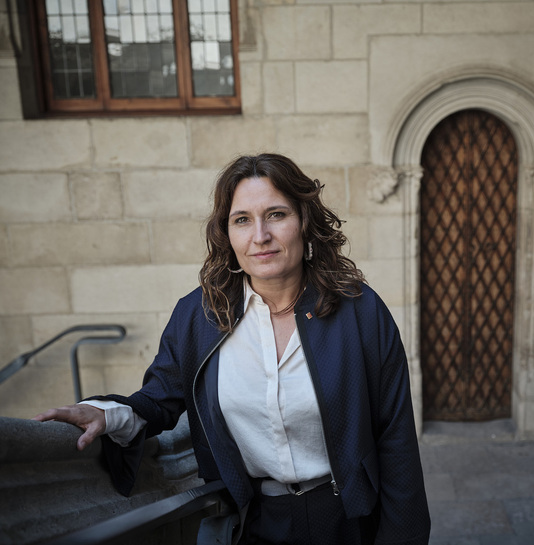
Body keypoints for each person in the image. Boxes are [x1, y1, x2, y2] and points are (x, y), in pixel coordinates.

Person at [33, 153, 431, 545]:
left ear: (304, 222)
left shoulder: (359, 310)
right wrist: (105, 412)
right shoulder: (199, 316)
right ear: (227, 233)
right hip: (256, 521)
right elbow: (158, 400)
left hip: (349, 517)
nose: (260, 236)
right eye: (242, 220)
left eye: (276, 214)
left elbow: (395, 439)